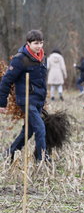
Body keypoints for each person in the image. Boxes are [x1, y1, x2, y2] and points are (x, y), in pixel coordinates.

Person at [0, 30, 49, 162]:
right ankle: (42, 159)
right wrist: (2, 103)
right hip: (26, 100)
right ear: (28, 43)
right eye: (35, 43)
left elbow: (42, 81)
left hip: (38, 100)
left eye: (41, 43)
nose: (39, 46)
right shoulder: (20, 59)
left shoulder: (43, 58)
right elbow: (6, 80)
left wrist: (43, 99)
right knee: (40, 128)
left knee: (28, 131)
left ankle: (9, 153)